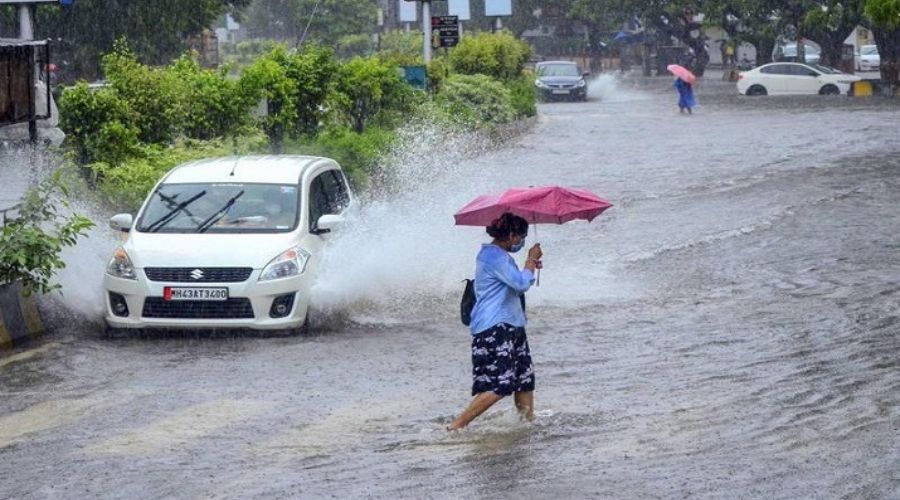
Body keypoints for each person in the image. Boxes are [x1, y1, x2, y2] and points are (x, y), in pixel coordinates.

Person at [448, 212, 544, 431]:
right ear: (511, 235)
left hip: (513, 325)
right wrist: (530, 260)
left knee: (524, 379)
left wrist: (530, 266)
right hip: (494, 327)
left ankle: (526, 426)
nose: (521, 242)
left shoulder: (501, 256)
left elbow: (517, 281)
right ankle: (456, 426)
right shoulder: (492, 257)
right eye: (521, 237)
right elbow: (520, 283)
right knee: (501, 384)